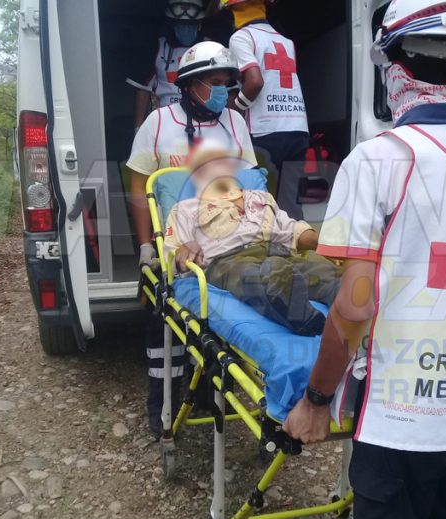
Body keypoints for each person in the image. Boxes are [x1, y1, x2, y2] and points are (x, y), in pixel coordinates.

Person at [281, 1, 446, 519]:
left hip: (401, 424)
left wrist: (316, 401)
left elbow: (356, 305)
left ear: (393, 67)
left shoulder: (378, 160)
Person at [126, 41, 257, 439]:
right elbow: (139, 187)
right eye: (213, 83)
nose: (222, 91)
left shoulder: (235, 123)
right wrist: (147, 246)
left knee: (221, 327)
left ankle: (208, 395)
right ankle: (161, 403)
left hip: (226, 243)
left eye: (226, 83)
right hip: (174, 245)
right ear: (188, 84)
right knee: (164, 330)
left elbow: (250, 184)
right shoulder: (159, 123)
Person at [164, 141, 340, 335]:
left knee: (331, 274)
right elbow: (172, 258)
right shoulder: (185, 209)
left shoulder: (261, 197)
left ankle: (351, 315)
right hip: (229, 261)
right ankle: (304, 319)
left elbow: (292, 230)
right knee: (257, 276)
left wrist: (328, 245)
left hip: (281, 253)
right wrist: (184, 248)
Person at [221, 0, 309, 220]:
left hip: (265, 130)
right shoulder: (286, 41)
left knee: (260, 205)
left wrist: (235, 109)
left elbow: (255, 82)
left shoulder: (241, 37)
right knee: (291, 207)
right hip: (298, 128)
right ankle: (297, 239)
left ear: (233, 10)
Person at [127, 0, 208, 130]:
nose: (185, 27)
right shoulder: (156, 47)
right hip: (165, 120)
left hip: (203, 119)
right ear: (171, 23)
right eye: (180, 23)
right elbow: (143, 88)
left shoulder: (211, 47)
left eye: (190, 23)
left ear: (199, 24)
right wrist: (138, 128)